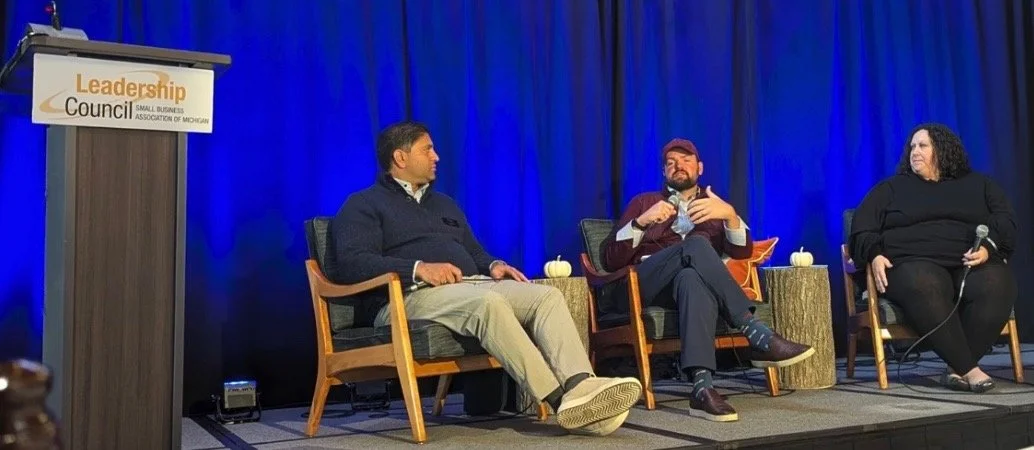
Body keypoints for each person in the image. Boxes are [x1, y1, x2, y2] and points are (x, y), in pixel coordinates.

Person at [332, 120, 643, 436]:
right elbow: (351, 263)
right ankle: (561, 401)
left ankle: (580, 384)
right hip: (405, 298)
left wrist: (493, 265)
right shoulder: (363, 204)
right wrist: (419, 268)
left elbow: (473, 251)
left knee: (546, 296)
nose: (436, 156)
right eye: (428, 150)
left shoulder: (444, 204)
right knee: (488, 303)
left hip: (466, 288)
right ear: (400, 157)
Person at [600, 138, 814, 422]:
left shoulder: (714, 206)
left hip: (682, 289)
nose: (678, 166)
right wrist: (642, 221)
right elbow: (610, 259)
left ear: (699, 168)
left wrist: (730, 216)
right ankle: (755, 332)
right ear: (664, 172)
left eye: (686, 160)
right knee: (697, 246)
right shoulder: (644, 202)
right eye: (671, 163)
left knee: (691, 279)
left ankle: (702, 388)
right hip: (645, 284)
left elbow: (742, 252)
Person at [848, 123, 1017, 393]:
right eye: (912, 147)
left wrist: (988, 247)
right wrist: (874, 253)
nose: (914, 152)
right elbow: (862, 226)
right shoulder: (891, 188)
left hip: (967, 261)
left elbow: (1005, 221)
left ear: (943, 149)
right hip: (910, 263)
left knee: (997, 282)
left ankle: (956, 369)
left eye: (923, 146)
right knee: (924, 283)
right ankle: (970, 370)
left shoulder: (979, 185)